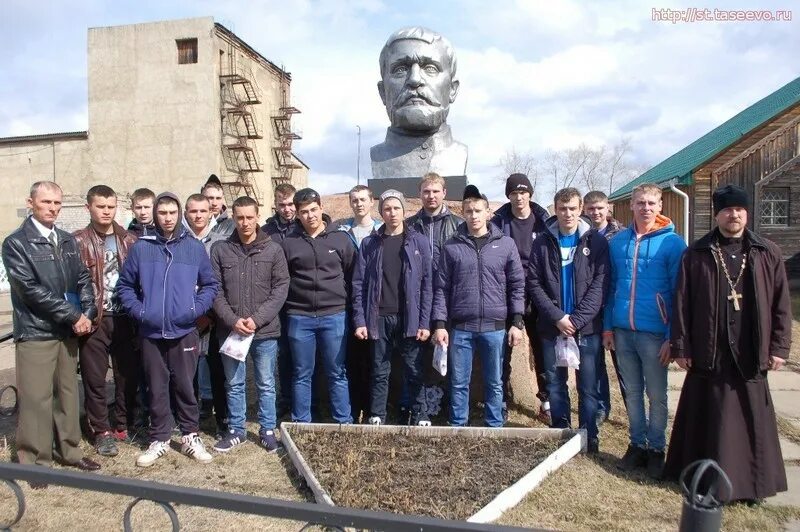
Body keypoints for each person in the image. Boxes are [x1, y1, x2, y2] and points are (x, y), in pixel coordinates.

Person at [664, 184, 791, 502]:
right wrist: (681, 346)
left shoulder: (766, 252)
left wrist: (779, 347)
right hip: (712, 352)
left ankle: (753, 486)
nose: (733, 215)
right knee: (711, 418)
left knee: (751, 420)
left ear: (746, 213)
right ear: (717, 214)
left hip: (750, 350)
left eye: (739, 210)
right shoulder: (696, 254)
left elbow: (781, 304)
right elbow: (681, 303)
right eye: (727, 210)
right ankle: (704, 481)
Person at [2, 181, 100, 485]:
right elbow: (30, 291)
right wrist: (73, 315)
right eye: (46, 202)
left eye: (57, 203)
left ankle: (69, 451)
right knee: (36, 399)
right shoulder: (17, 243)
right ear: (31, 203)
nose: (52, 209)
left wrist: (87, 312)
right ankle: (35, 462)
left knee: (67, 394)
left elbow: (83, 278)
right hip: (36, 332)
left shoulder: (67, 240)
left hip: (67, 332)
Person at [117, 192, 219, 467]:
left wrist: (194, 311)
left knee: (186, 386)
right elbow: (125, 287)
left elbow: (210, 285)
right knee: (156, 387)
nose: (167, 218)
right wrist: (141, 312)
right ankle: (159, 437)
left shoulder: (193, 248)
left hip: (185, 330)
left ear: (180, 214)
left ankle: (189, 436)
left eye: (172, 213)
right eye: (162, 213)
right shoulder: (142, 247)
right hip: (151, 332)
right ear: (156, 215)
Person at [603, 183, 686, 478]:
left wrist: (671, 337)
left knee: (657, 394)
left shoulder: (673, 244)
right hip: (623, 330)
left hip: (655, 333)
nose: (646, 208)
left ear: (660, 206)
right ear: (632, 206)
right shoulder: (618, 243)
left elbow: (680, 293)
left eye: (651, 203)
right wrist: (608, 327)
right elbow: (611, 288)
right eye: (640, 203)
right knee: (633, 392)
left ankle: (656, 449)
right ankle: (636, 444)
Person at [432, 185, 524, 427]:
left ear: (488, 212)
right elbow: (441, 288)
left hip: (495, 327)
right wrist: (440, 324)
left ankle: (494, 425)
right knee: (459, 381)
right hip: (462, 327)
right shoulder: (452, 246)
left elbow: (517, 285)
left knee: (494, 381)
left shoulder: (505, 245)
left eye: (478, 211)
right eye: (469, 211)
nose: (473, 215)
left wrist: (516, 321)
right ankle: (458, 425)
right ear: (463, 213)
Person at [528, 188, 609, 453]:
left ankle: (588, 435)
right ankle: (561, 432)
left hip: (586, 328)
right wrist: (558, 318)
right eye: (562, 209)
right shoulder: (542, 242)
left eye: (573, 208)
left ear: (581, 208)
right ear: (555, 210)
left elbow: (600, 284)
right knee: (554, 383)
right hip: (552, 328)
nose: (568, 214)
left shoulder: (595, 241)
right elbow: (534, 284)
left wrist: (576, 320)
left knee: (587, 384)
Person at [211, 196, 289, 453]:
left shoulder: (273, 249)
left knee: (266, 382)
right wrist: (233, 321)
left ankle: (267, 429)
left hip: (264, 331)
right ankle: (236, 430)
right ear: (233, 217)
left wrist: (256, 319)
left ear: (258, 217)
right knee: (234, 383)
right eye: (240, 217)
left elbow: (280, 289)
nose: (245, 222)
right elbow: (215, 291)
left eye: (249, 217)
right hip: (231, 331)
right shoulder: (221, 249)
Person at [352, 190, 432, 426]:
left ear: (404, 211)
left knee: (414, 369)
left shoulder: (419, 241)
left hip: (410, 317)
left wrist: (425, 322)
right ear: (381, 213)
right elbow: (359, 284)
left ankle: (421, 415)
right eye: (387, 209)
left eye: (396, 208)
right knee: (379, 370)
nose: (392, 213)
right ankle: (377, 414)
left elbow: (427, 284)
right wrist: (360, 320)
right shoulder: (370, 243)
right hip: (379, 317)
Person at [73, 185, 139, 458]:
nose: (106, 211)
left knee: (126, 377)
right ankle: (101, 430)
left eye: (111, 206)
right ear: (89, 207)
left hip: (125, 319)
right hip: (96, 320)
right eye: (101, 206)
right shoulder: (76, 241)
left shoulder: (130, 240)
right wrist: (80, 316)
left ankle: (123, 424)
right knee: (95, 379)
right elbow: (72, 284)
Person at [281, 188, 354, 424]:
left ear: (322, 208)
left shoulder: (341, 239)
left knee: (337, 372)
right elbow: (283, 278)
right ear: (298, 214)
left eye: (314, 210)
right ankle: (301, 422)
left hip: (334, 316)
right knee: (302, 373)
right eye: (304, 212)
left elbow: (353, 276)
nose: (310, 215)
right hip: (299, 316)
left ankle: (344, 421)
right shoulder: (288, 243)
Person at [491, 173, 551, 424]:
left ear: (530, 194)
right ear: (509, 196)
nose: (519, 197)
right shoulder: (499, 222)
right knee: (502, 350)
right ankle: (501, 400)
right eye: (514, 193)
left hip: (538, 292)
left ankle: (547, 402)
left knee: (543, 349)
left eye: (523, 192)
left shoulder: (544, 221)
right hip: (507, 292)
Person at [370, 27, 467, 179]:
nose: (414, 79)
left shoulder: (459, 154)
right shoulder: (377, 156)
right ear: (383, 91)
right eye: (400, 69)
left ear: (452, 90)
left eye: (430, 68)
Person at [406, 172, 462, 420]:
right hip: (418, 298)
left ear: (444, 193)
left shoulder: (458, 224)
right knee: (419, 355)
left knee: (448, 353)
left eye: (435, 191)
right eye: (426, 191)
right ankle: (423, 407)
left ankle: (446, 404)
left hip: (450, 297)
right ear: (420, 194)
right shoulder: (409, 225)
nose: (431, 196)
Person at [336, 185, 382, 423]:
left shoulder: (381, 231)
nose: (359, 204)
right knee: (352, 361)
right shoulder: (342, 231)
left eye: (363, 199)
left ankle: (375, 409)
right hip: (348, 302)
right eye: (354, 200)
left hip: (376, 304)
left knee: (376, 362)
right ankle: (353, 410)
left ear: (371, 201)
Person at [183, 193, 228, 434]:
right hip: (187, 317)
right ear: (186, 214)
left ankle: (222, 418)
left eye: (203, 211)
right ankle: (190, 421)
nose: (198, 216)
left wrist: (210, 313)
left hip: (215, 316)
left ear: (211, 212)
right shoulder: (179, 241)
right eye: (193, 211)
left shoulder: (223, 240)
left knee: (217, 368)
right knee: (187, 372)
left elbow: (224, 281)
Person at [583, 190, 625, 424]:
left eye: (599, 208)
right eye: (590, 209)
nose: (595, 212)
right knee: (596, 361)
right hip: (591, 306)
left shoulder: (620, 234)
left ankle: (634, 410)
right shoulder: (583, 235)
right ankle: (601, 406)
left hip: (615, 303)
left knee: (623, 364)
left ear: (608, 208)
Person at [262, 183, 297, 418]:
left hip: (300, 298)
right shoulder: (266, 232)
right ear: (275, 205)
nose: (287, 209)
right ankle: (285, 398)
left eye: (291, 204)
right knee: (282, 352)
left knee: (302, 352)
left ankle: (305, 398)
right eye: (282, 204)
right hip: (275, 301)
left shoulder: (304, 226)